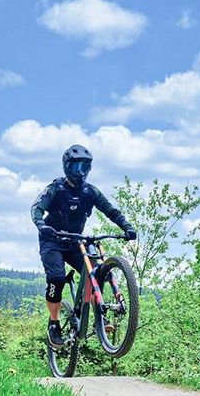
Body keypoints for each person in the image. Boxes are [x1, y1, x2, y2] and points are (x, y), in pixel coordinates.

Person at [30, 144, 136, 347]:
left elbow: (111, 211)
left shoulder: (90, 192)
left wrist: (127, 226)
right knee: (57, 278)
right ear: (67, 166)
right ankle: (54, 324)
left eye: (84, 167)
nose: (80, 172)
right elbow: (36, 208)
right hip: (52, 240)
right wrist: (41, 225)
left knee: (97, 272)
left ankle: (97, 314)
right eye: (76, 166)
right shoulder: (56, 188)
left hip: (74, 241)